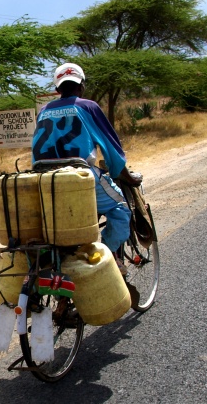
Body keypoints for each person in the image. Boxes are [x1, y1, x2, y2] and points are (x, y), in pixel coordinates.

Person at [31, 62, 142, 275]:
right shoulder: (87, 106)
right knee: (121, 209)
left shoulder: (44, 111)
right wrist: (124, 174)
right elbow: (111, 148)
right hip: (79, 176)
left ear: (57, 89)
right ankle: (108, 260)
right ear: (82, 86)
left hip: (44, 180)